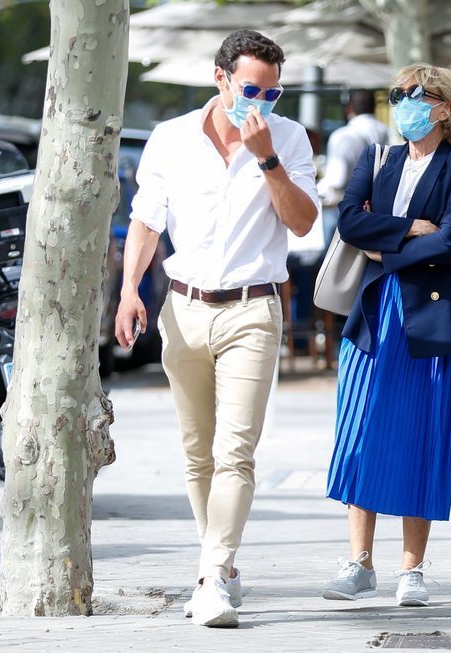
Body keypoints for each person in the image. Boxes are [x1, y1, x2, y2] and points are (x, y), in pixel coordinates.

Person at [114, 29, 320, 628]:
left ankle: (209, 577)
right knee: (197, 454)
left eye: (273, 93)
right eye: (251, 88)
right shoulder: (172, 138)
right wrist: (129, 291)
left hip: (253, 311)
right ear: (221, 78)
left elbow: (304, 223)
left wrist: (269, 160)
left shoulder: (288, 139)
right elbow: (147, 220)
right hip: (183, 308)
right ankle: (223, 567)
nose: (260, 102)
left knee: (236, 452)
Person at [320, 63, 451, 607]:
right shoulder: (378, 157)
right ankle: (358, 562)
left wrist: (383, 246)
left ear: (445, 109)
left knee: (423, 434)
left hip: (432, 318)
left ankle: (410, 571)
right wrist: (411, 228)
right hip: (373, 312)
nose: (402, 103)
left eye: (415, 94)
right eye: (396, 94)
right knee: (360, 429)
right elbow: (348, 221)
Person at [316, 90, 389, 247]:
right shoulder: (383, 131)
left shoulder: (343, 135)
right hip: (375, 205)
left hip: (342, 206)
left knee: (333, 258)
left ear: (349, 108)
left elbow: (337, 180)